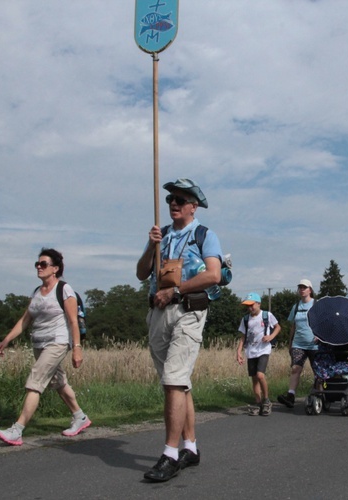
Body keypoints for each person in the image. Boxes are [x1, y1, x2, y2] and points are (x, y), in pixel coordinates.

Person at [136, 178, 223, 482]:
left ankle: (170, 454)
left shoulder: (204, 235)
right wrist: (152, 244)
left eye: (180, 199)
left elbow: (213, 275)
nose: (173, 203)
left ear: (193, 206)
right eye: (170, 199)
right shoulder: (163, 236)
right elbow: (140, 272)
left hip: (188, 310)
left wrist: (175, 292)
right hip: (158, 311)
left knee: (174, 380)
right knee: (177, 381)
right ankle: (191, 447)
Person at [0, 248, 90, 446]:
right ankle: (80, 417)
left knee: (36, 379)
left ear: (55, 268)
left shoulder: (64, 289)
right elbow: (25, 320)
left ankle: (17, 430)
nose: (39, 267)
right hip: (39, 343)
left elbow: (73, 322)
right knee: (58, 382)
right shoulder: (37, 292)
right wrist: (6, 340)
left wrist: (77, 348)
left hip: (57, 342)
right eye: (37, 264)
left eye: (43, 264)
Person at [237, 293, 281, 416]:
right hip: (251, 351)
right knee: (254, 379)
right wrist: (238, 351)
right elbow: (243, 337)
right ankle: (258, 403)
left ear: (258, 304)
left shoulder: (267, 315)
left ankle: (266, 400)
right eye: (247, 306)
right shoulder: (246, 319)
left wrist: (271, 336)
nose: (250, 308)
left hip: (263, 349)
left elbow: (278, 327)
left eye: (252, 305)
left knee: (260, 375)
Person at [278, 279, 318, 408]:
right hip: (298, 344)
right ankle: (291, 396)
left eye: (304, 287)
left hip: (315, 344)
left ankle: (320, 394)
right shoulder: (296, 307)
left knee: (318, 371)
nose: (301, 289)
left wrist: (321, 337)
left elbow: (324, 323)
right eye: (300, 287)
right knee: (296, 368)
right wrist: (290, 343)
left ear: (310, 290)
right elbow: (293, 326)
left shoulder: (316, 305)